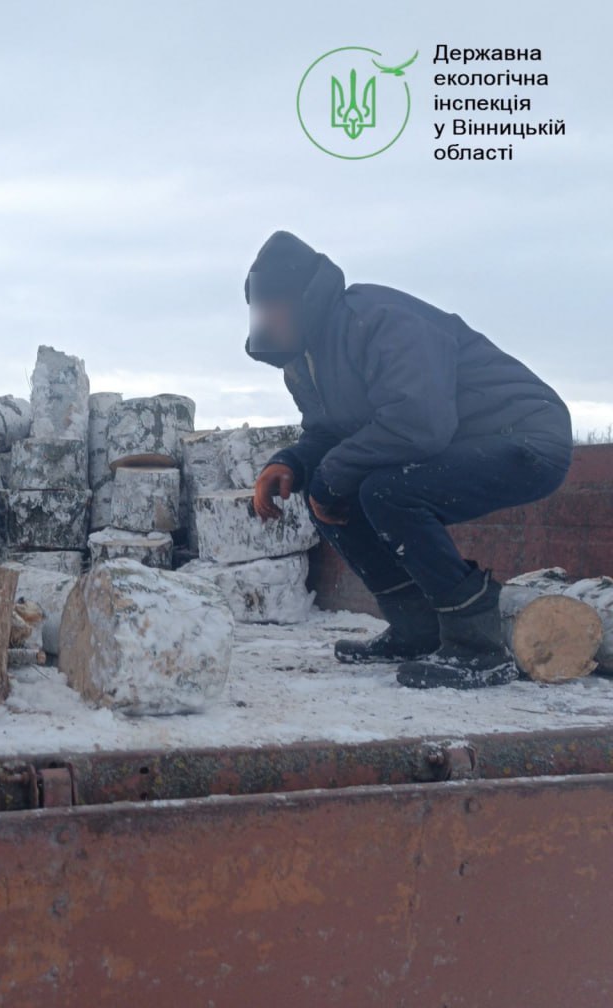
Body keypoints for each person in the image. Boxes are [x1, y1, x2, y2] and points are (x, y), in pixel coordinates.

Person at [245, 230, 572, 690]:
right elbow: (329, 432)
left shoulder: (380, 320)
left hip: (525, 438)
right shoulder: (304, 359)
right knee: (329, 492)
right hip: (453, 444)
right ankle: (416, 629)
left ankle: (478, 647)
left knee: (383, 492)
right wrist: (291, 465)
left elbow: (420, 422)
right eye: (258, 308)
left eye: (271, 305)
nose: (264, 318)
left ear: (302, 299)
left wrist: (330, 477)